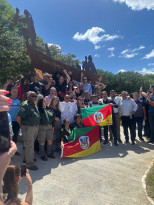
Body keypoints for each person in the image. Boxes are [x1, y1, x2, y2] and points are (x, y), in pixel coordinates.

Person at [16, 91, 40, 170]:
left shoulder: (33, 104)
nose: (34, 97)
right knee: (29, 145)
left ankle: (27, 158)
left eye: (35, 96)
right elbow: (18, 117)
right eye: (32, 95)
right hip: (28, 127)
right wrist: (22, 125)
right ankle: (29, 163)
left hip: (35, 127)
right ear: (27, 96)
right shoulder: (25, 105)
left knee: (29, 144)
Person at [8, 87, 21, 153]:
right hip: (9, 122)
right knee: (9, 136)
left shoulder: (19, 101)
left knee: (15, 136)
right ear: (11, 92)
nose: (15, 93)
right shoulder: (8, 100)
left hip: (16, 121)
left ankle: (14, 150)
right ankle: (8, 150)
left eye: (16, 92)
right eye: (14, 91)